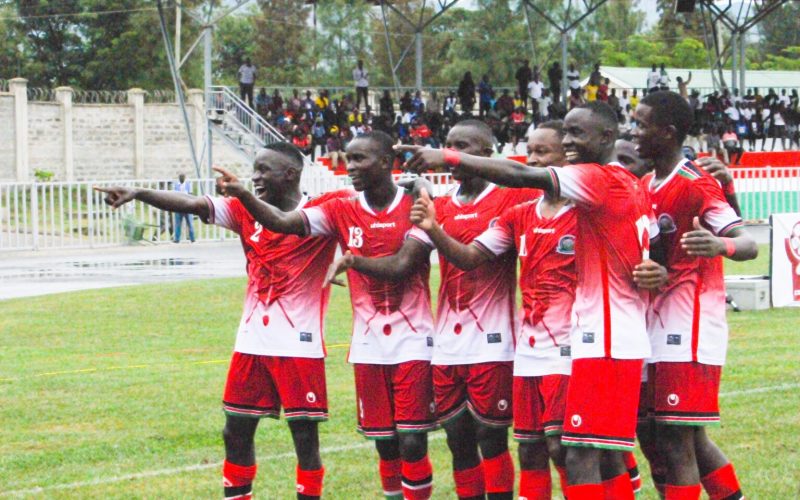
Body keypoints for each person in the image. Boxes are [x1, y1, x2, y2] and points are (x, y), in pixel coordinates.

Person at [399, 101, 665, 498]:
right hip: (538, 347)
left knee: (577, 452)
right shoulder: (526, 213)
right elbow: (471, 257)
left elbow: (522, 174)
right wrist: (434, 228)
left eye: (565, 140)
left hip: (592, 343)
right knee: (539, 449)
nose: (566, 144)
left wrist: (450, 156)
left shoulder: (597, 185)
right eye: (536, 146)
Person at [95, 143, 352, 500]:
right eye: (255, 170)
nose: (256, 176)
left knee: (305, 437)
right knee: (235, 430)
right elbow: (193, 204)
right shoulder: (242, 211)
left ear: (290, 174)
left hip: (298, 345)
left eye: (265, 170)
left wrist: (353, 262)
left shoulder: (322, 209)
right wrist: (139, 192)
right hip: (250, 342)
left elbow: (371, 219)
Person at [220, 131, 438, 500]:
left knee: (413, 441)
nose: (349, 167)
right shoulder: (341, 209)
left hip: (415, 339)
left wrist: (354, 261)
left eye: (359, 159)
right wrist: (242, 194)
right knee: (385, 443)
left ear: (385, 162)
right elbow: (284, 223)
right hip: (368, 345)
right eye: (347, 159)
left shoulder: (419, 205)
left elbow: (404, 265)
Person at [329, 120, 535, 500]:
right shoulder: (437, 205)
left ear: (488, 153)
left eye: (464, 147)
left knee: (491, 438)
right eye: (449, 145)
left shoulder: (509, 200)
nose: (451, 154)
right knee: (458, 440)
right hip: (447, 345)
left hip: (494, 342)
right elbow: (403, 259)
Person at [632, 90, 757, 500]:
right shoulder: (646, 184)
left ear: (667, 133)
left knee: (676, 439)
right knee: (662, 434)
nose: (634, 132)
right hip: (652, 323)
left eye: (641, 124)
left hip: (689, 327)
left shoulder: (695, 184)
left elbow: (747, 242)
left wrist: (722, 246)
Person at [172, 174, 195, 243]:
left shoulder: (188, 184)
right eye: (180, 177)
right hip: (178, 206)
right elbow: (174, 195)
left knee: (190, 223)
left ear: (185, 178)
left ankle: (192, 238)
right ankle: (177, 239)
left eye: (183, 177)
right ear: (179, 178)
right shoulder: (176, 185)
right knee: (178, 223)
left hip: (187, 206)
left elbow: (190, 194)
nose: (181, 178)